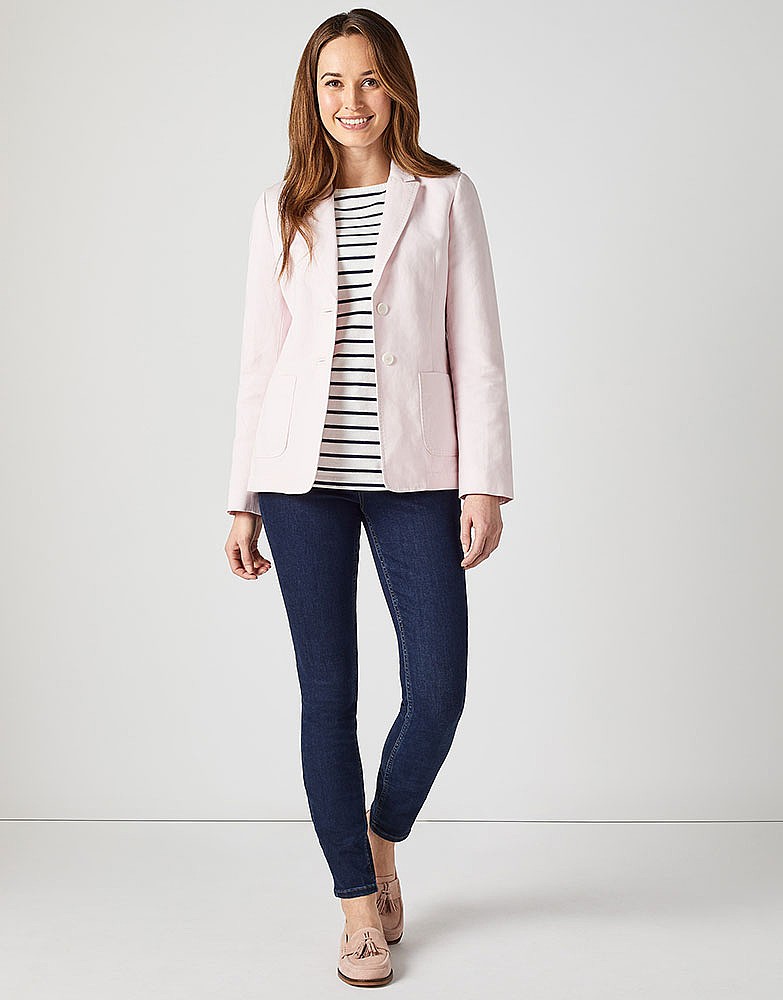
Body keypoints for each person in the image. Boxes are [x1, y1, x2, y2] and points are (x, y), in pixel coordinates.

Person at [223, 9, 513, 988]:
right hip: (296, 482)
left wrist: (484, 480)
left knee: (437, 688)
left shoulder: (445, 195)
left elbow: (476, 346)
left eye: (369, 79)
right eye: (332, 82)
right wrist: (241, 498)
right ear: (312, 97)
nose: (352, 100)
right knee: (328, 696)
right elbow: (259, 363)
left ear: (397, 87)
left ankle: (381, 839)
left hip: (414, 475)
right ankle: (356, 905)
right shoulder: (282, 206)